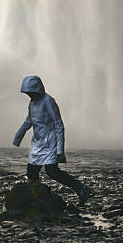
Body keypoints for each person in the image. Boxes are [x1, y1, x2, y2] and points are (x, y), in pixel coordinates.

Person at [13, 75, 92, 205]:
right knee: (31, 171)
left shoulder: (48, 101)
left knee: (52, 171)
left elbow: (59, 125)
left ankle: (81, 189)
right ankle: (35, 198)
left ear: (37, 89)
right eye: (27, 93)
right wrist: (18, 137)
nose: (29, 95)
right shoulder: (32, 103)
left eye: (31, 92)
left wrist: (60, 150)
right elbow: (29, 120)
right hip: (38, 142)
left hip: (50, 142)